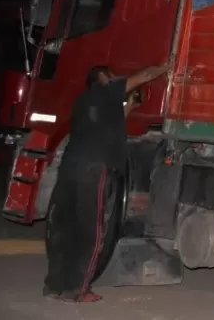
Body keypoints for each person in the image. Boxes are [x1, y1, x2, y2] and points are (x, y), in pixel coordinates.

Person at [43, 63, 168, 303]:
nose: (117, 79)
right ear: (102, 78)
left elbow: (115, 120)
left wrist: (131, 103)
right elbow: (143, 75)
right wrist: (166, 67)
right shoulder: (106, 90)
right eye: (112, 76)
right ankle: (78, 290)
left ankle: (54, 284)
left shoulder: (84, 101)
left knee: (66, 228)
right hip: (94, 168)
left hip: (70, 168)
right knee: (92, 230)